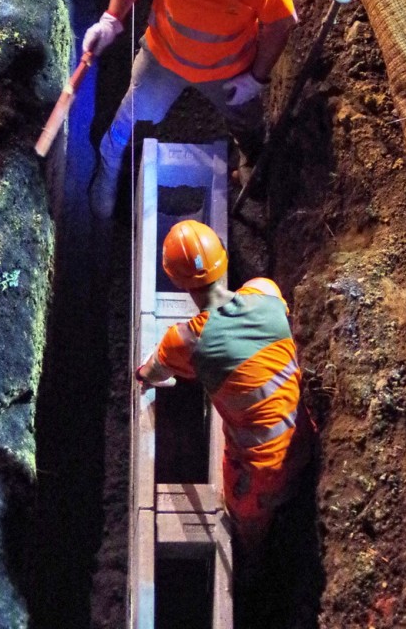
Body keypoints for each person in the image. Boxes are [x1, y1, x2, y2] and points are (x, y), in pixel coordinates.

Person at [82, 0, 298, 218]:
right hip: (163, 58)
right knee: (130, 117)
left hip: (228, 72)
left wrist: (256, 78)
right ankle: (110, 166)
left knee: (248, 125)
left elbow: (281, 24)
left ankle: (251, 165)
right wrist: (111, 19)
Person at [135, 219, 316, 561]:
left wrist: (143, 375)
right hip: (304, 443)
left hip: (264, 477)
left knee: (245, 514)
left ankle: (254, 560)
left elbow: (153, 372)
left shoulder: (185, 340)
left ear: (175, 280)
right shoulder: (265, 291)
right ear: (224, 259)